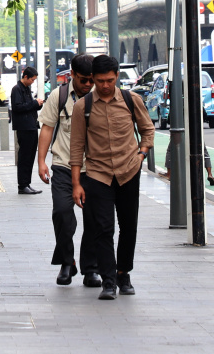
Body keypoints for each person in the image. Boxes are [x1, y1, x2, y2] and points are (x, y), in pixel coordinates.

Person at [70, 55, 154, 300]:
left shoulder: (131, 100)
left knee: (128, 226)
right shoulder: (82, 107)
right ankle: (108, 281)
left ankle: (123, 273)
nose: (105, 85)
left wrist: (141, 154)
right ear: (93, 79)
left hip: (129, 171)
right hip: (98, 174)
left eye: (109, 80)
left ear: (117, 76)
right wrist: (76, 184)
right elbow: (76, 147)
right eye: (100, 81)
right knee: (103, 228)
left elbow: (147, 129)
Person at [37, 53, 101, 288]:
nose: (88, 84)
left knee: (94, 218)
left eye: (92, 79)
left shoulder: (100, 95)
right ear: (72, 74)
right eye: (83, 80)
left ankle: (91, 268)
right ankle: (67, 262)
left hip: (94, 168)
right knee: (62, 213)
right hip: (63, 165)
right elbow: (47, 128)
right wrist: (41, 161)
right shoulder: (60, 95)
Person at [11, 66, 44, 194]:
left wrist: (38, 104)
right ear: (25, 77)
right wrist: (34, 103)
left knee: (30, 156)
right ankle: (22, 185)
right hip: (24, 127)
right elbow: (17, 107)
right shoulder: (17, 89)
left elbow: (28, 107)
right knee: (24, 156)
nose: (33, 82)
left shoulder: (26, 89)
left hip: (31, 125)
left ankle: (27, 183)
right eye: (32, 79)